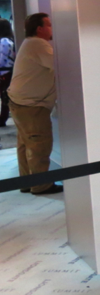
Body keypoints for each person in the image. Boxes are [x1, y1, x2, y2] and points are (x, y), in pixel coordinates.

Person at [8, 13, 60, 194]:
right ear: (40, 29)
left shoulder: (29, 43)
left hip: (20, 102)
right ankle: (41, 185)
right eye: (49, 25)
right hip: (31, 105)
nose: (52, 28)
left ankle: (27, 182)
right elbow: (58, 65)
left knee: (26, 144)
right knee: (39, 144)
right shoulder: (38, 44)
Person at [0, 19, 15, 126]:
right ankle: (3, 118)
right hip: (8, 72)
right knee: (5, 96)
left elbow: (1, 60)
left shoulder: (3, 42)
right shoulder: (10, 40)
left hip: (3, 72)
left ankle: (2, 119)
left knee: (4, 96)